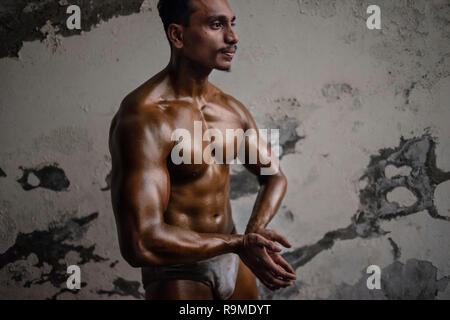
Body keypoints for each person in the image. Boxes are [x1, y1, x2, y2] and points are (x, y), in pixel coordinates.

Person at [108, 0, 296, 300]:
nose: (233, 37)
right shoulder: (144, 117)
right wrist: (238, 243)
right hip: (178, 270)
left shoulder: (231, 109)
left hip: (235, 260)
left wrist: (253, 235)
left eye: (233, 24)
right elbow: (140, 243)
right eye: (217, 24)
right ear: (177, 36)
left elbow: (274, 176)